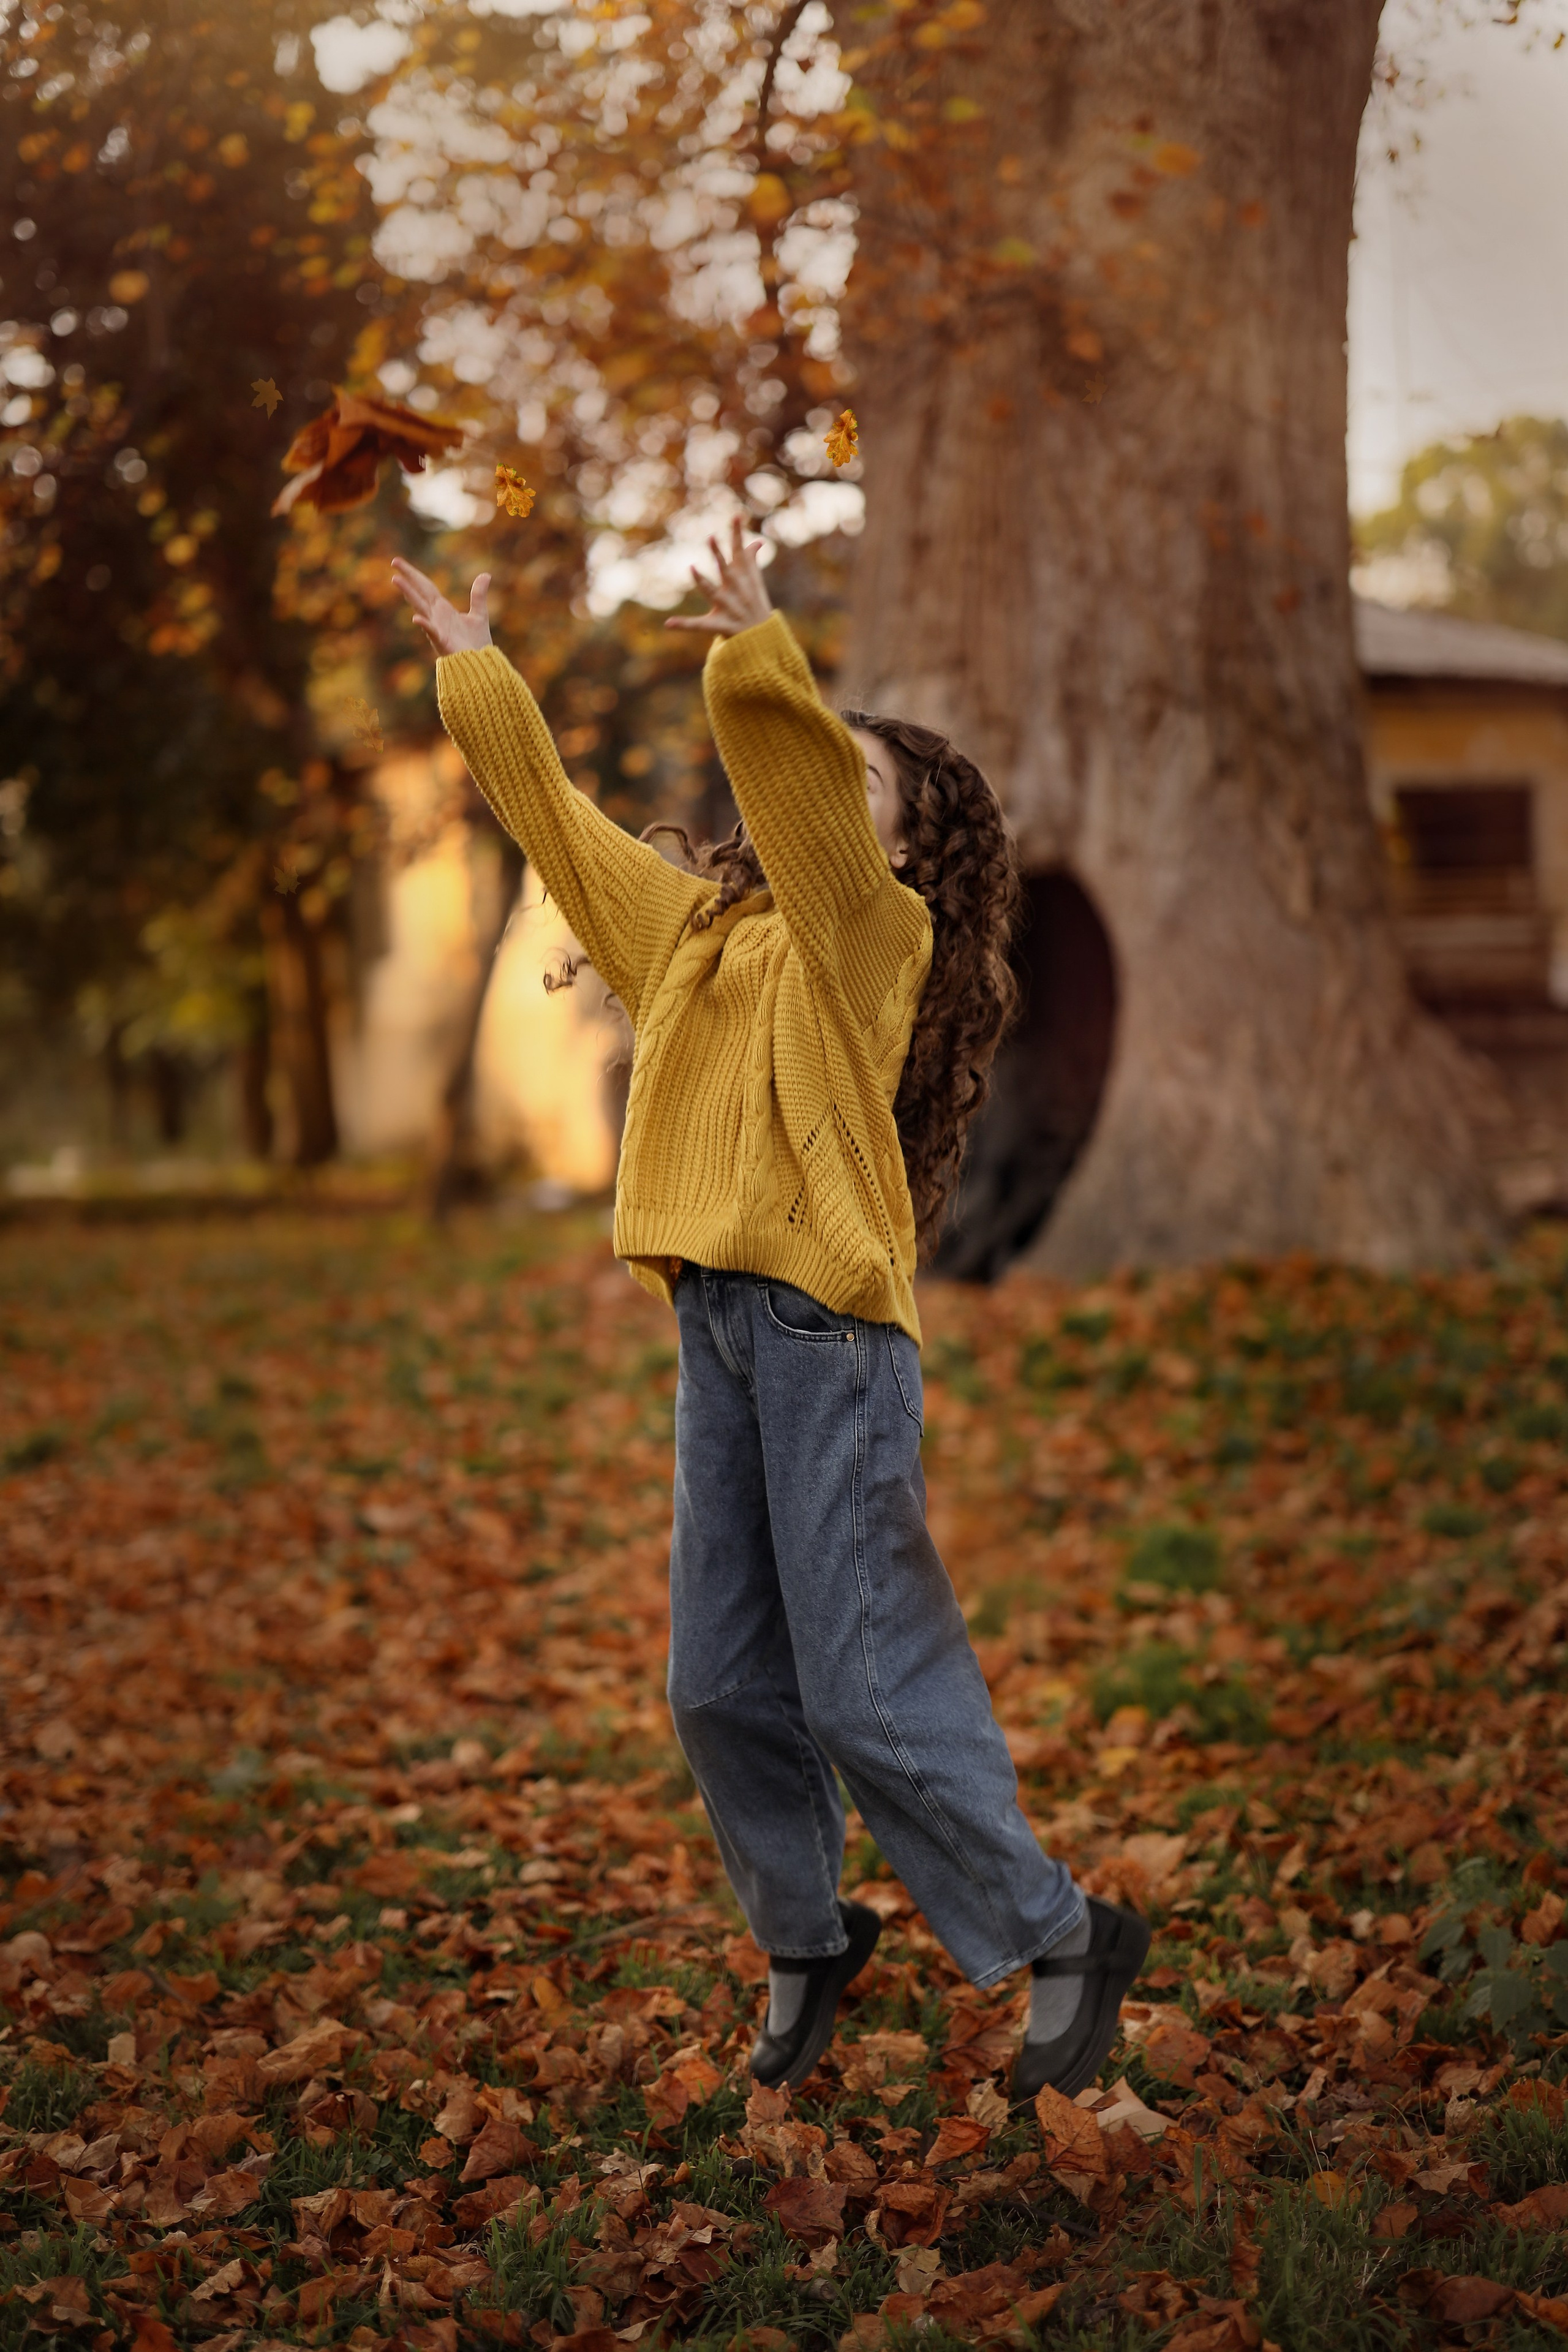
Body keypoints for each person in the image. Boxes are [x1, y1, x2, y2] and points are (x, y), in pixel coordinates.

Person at [391, 529, 1148, 2103]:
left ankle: (1064, 1933)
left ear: (899, 840)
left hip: (827, 1339)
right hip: (718, 1326)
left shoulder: (877, 941)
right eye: (803, 760)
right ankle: (810, 1939)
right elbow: (553, 821)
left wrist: (757, 660)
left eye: (841, 773)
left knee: (860, 1688)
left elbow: (805, 820)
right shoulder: (690, 940)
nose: (792, 787)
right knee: (717, 1685)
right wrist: (477, 666)